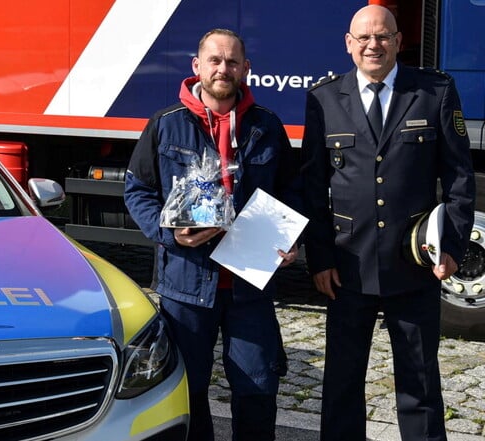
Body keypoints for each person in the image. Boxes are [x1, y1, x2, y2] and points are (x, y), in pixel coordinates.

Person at [301, 5, 475, 441]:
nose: (373, 45)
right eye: (363, 38)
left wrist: (451, 247)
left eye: (382, 36)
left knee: (419, 385)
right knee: (341, 384)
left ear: (399, 41)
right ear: (348, 44)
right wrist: (319, 259)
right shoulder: (324, 99)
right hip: (347, 268)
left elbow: (458, 176)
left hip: (413, 267)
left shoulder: (434, 92)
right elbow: (312, 187)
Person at [124, 28, 302, 441]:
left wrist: (291, 237)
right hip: (186, 284)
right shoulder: (165, 125)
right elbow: (137, 191)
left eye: (233, 62)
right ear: (197, 66)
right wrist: (170, 235)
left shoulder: (267, 126)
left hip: (249, 284)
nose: (224, 69)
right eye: (215, 60)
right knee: (189, 389)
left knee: (258, 387)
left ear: (246, 69)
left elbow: (293, 192)